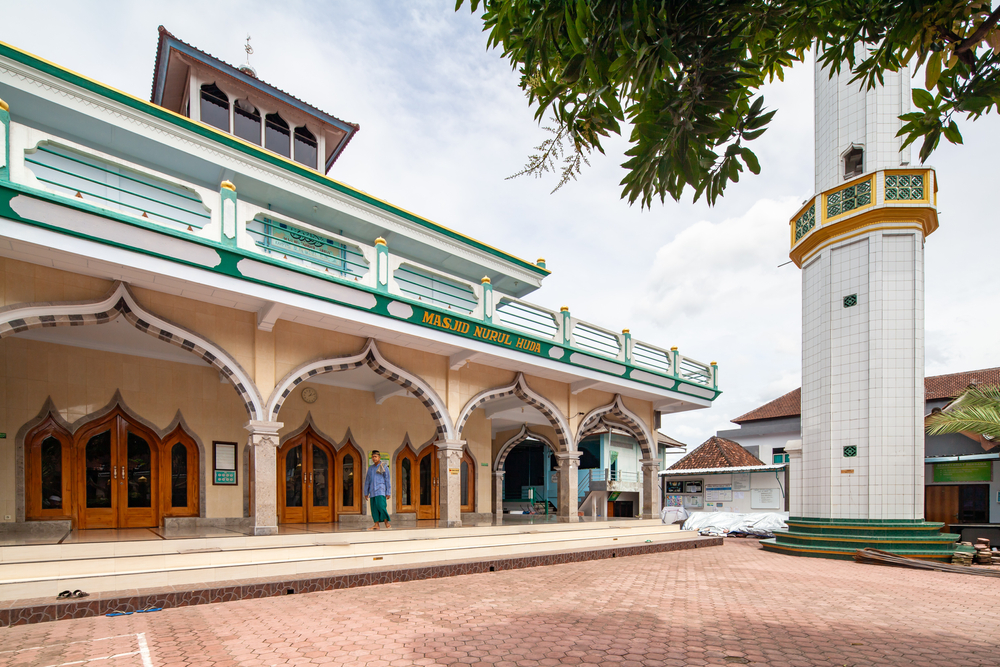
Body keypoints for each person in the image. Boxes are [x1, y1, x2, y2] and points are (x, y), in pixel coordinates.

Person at [363, 450, 392, 530]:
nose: (374, 458)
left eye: (375, 457)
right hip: (372, 492)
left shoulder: (384, 467)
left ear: (379, 457)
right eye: (373, 457)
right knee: (374, 508)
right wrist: (366, 492)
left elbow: (387, 480)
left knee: (381, 506)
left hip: (380, 491)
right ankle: (376, 524)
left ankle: (386, 522)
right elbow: (367, 481)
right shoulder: (371, 468)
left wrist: (388, 492)